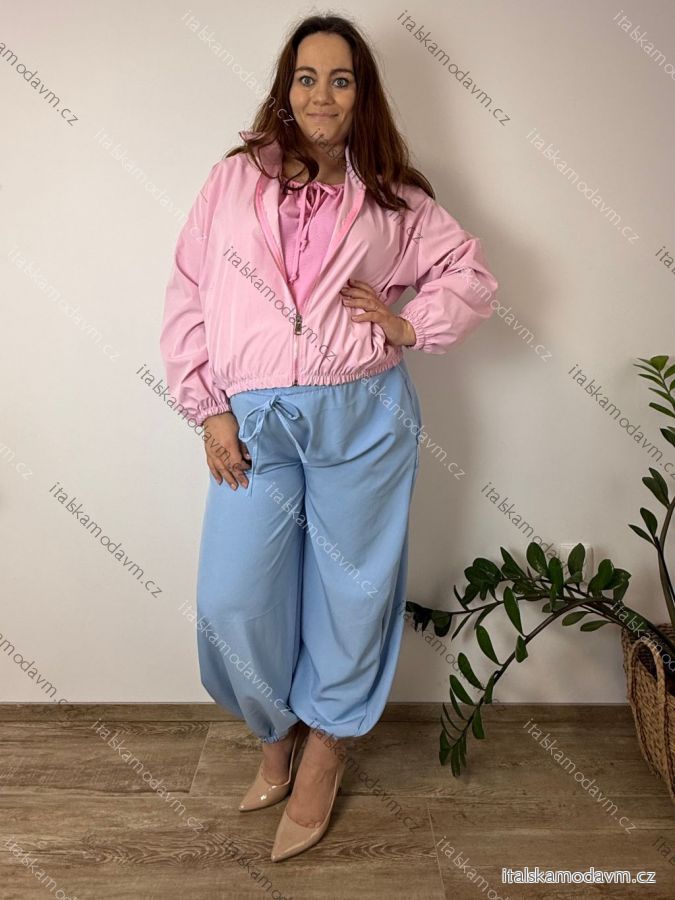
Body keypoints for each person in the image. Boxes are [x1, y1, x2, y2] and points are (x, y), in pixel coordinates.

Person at [159, 13, 498, 862]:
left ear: (360, 93)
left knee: (351, 596)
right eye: (306, 78)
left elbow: (470, 273)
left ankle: (327, 749)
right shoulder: (232, 181)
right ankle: (275, 732)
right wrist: (209, 408)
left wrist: (408, 323)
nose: (321, 95)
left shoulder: (392, 195)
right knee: (233, 601)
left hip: (364, 416)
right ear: (286, 89)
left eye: (339, 79)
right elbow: (189, 291)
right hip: (255, 421)